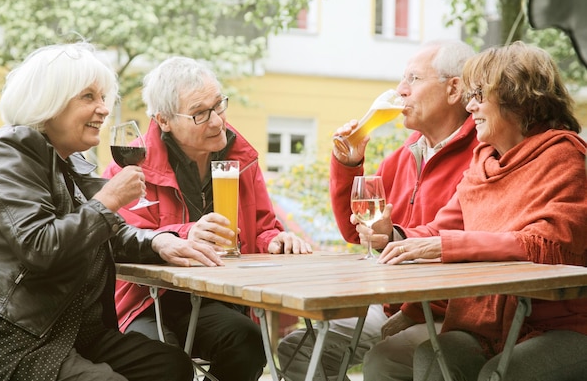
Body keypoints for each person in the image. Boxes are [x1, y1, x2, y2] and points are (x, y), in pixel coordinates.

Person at [0, 42, 227, 381]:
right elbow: (40, 246)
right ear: (49, 103)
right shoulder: (10, 152)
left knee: (170, 366)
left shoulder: (70, 161)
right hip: (9, 332)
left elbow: (102, 232)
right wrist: (108, 202)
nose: (103, 109)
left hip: (67, 329)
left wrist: (159, 243)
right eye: (88, 97)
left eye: (104, 98)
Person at [373, 41, 587, 380]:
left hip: (559, 326)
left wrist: (447, 246)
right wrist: (393, 235)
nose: (470, 106)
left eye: (479, 95)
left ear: (517, 98)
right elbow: (442, 230)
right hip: (486, 327)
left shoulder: (565, 157)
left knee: (501, 373)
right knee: (434, 355)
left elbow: (550, 246)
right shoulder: (482, 163)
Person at [277, 39, 477, 381]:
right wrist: (349, 162)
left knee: (387, 358)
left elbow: (462, 246)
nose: (400, 91)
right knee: (299, 347)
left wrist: (411, 312)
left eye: (413, 79)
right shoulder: (408, 153)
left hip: (452, 310)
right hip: (394, 303)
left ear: (454, 88)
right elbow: (358, 231)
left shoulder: (482, 153)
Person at [103, 56, 313, 381]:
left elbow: (262, 225)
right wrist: (187, 233)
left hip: (211, 300)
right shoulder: (131, 163)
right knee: (164, 362)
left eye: (219, 105)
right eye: (200, 113)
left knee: (246, 342)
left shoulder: (241, 158)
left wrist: (275, 239)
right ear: (164, 120)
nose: (217, 121)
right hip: (143, 300)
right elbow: (121, 236)